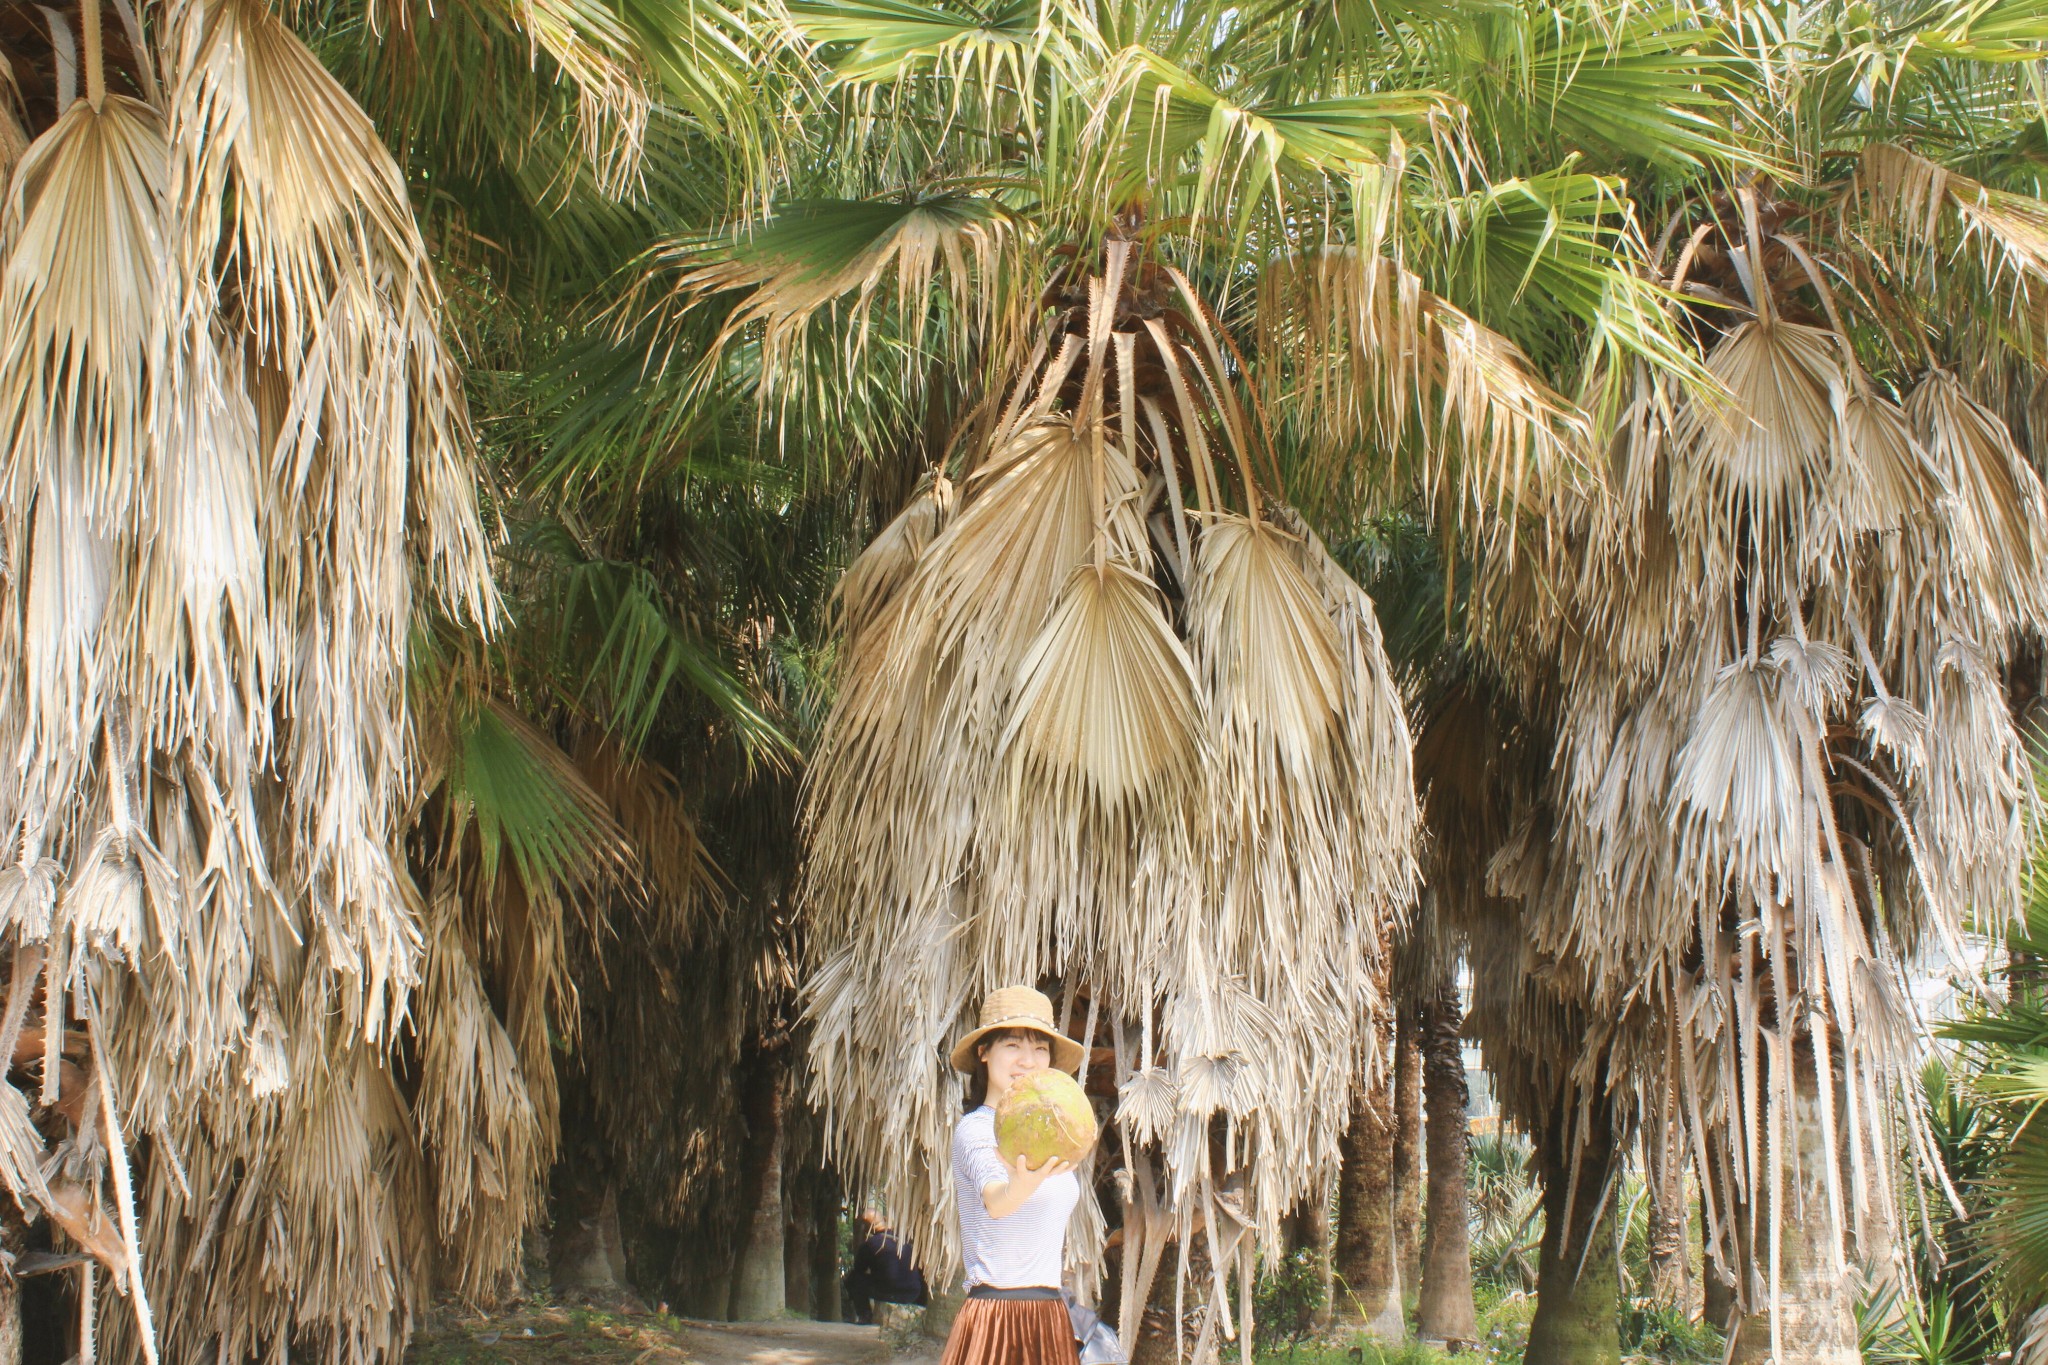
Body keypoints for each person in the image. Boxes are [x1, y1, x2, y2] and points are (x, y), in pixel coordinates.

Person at [942, 985, 1089, 1365]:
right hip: (996, 1320)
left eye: (1040, 1049)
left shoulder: (1056, 1137)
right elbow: (996, 1200)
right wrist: (1023, 1185)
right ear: (984, 1053)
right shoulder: (975, 1130)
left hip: (1050, 1315)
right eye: (1012, 1046)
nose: (1028, 1060)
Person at [843, 1209, 928, 1325]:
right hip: (913, 1294)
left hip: (890, 1293)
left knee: (854, 1278)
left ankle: (865, 1315)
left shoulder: (870, 1244)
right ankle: (923, 1309)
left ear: (868, 1227)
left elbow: (859, 1270)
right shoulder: (905, 1243)